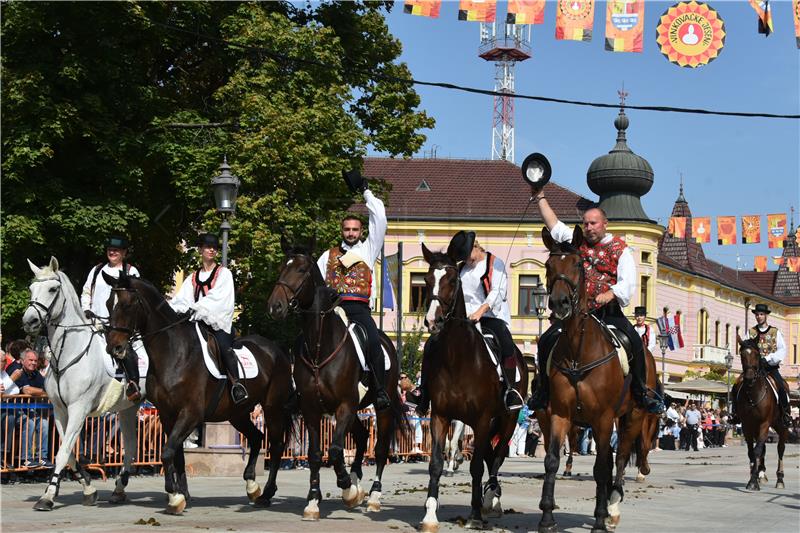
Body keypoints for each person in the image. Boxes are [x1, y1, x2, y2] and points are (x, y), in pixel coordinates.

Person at [528, 191, 664, 414]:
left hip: (607, 312)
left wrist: (611, 294)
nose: (589, 227)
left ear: (604, 224)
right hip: (577, 314)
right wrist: (540, 197)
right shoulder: (576, 243)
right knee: (545, 341)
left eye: (593, 223)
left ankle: (641, 393)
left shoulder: (621, 249)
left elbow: (628, 281)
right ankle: (542, 392)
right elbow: (553, 224)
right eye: (586, 223)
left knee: (635, 342)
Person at [316, 174, 390, 411]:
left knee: (375, 345)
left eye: (355, 229)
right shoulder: (327, 256)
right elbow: (316, 285)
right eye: (347, 229)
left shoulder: (369, 249)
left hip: (358, 310)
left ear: (360, 231)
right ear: (342, 230)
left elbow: (380, 219)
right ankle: (300, 388)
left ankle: (379, 390)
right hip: (333, 310)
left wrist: (366, 192)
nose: (350, 233)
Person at [170, 233, 247, 404]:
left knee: (224, 347)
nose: (211, 250)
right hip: (196, 323)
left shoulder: (224, 274)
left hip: (216, 324)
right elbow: (182, 299)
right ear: (200, 250)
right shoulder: (192, 277)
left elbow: (218, 299)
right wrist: (175, 310)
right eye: (207, 247)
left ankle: (237, 384)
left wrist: (196, 309)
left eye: (214, 247)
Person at [458, 235, 524, 411]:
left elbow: (497, 292)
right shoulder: (461, 269)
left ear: (475, 247)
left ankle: (511, 390)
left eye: (466, 255)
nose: (465, 259)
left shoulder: (495, 263)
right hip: (463, 319)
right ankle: (423, 392)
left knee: (506, 343)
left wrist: (480, 312)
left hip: (491, 316)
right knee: (436, 341)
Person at [81, 235, 142, 401]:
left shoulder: (131, 272)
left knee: (125, 352)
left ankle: (133, 384)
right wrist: (86, 308)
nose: (112, 252)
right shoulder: (96, 271)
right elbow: (87, 292)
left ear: (124, 253)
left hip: (118, 326)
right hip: (94, 322)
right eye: (110, 250)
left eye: (116, 250)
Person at [732, 303, 792, 427]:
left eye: (761, 314)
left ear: (766, 316)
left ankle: (785, 414)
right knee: (736, 385)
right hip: (753, 369)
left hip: (770, 368)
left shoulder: (775, 332)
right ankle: (735, 413)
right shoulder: (751, 332)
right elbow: (745, 346)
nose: (759, 317)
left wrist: (768, 359)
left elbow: (782, 350)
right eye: (757, 314)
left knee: (781, 386)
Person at [13, 349, 52, 468]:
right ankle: (27, 458)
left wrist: (47, 390)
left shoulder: (35, 373)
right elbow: (27, 390)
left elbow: (47, 385)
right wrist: (47, 392)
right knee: (29, 423)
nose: (33, 363)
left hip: (31, 409)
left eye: (35, 361)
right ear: (23, 360)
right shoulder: (18, 370)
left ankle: (42, 457)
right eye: (30, 360)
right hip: (14, 409)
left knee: (44, 423)